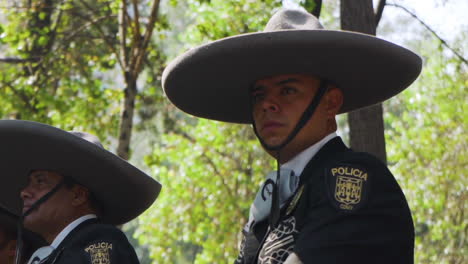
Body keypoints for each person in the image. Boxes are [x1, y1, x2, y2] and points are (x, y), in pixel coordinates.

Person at [161, 8, 421, 264]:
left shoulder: (351, 178)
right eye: (259, 95)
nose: (267, 105)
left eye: (287, 91)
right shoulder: (278, 198)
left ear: (331, 102)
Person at [0, 120, 162, 264]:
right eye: (29, 183)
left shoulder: (100, 243)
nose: (24, 193)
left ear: (78, 195)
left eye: (40, 181)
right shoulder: (59, 251)